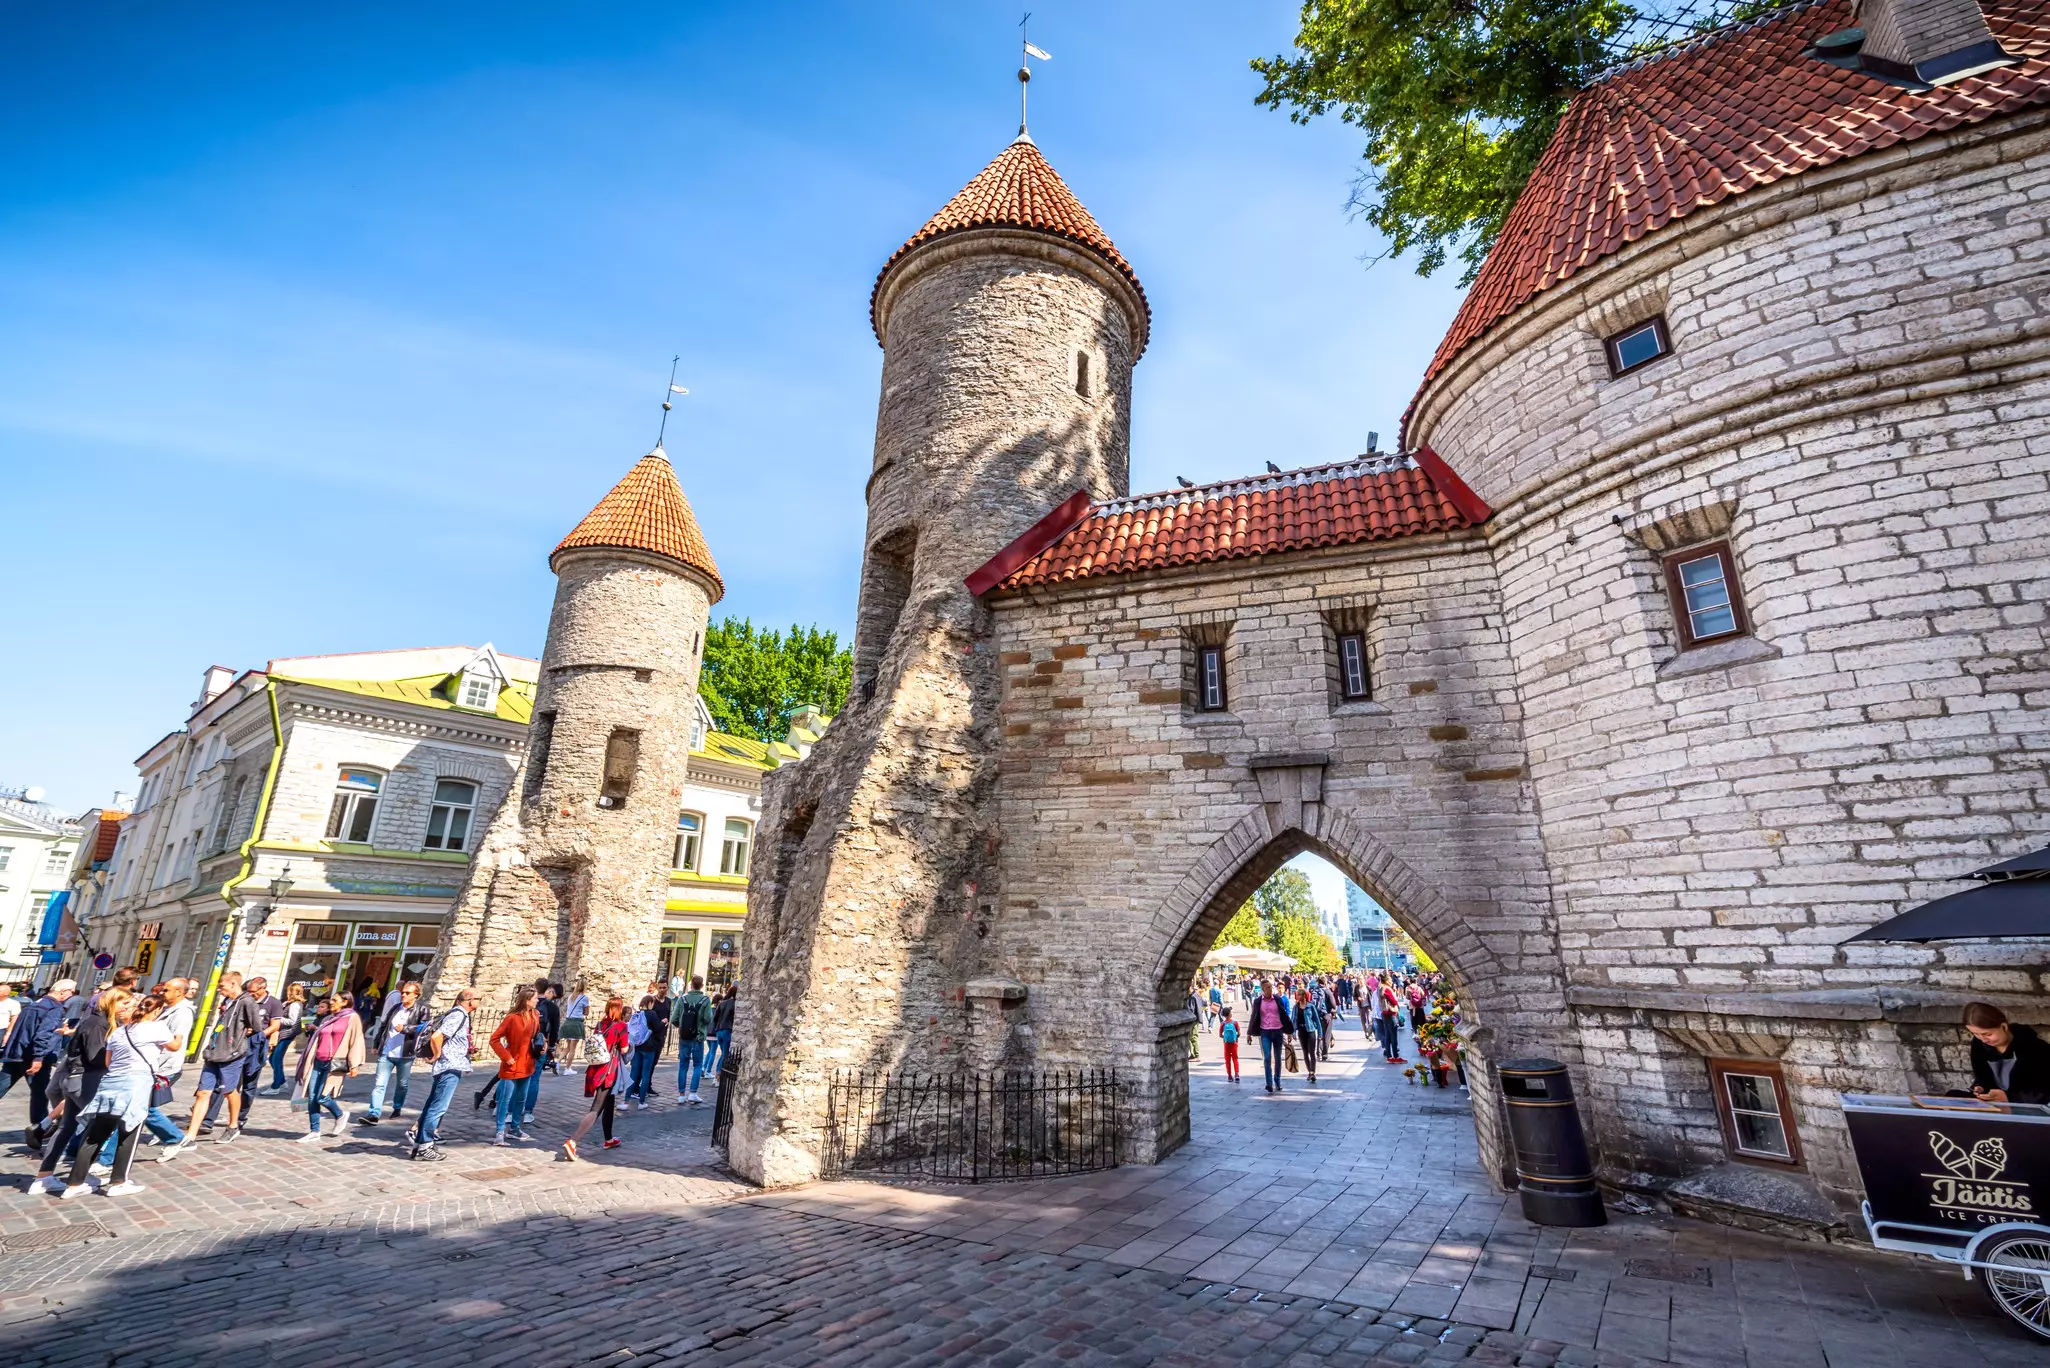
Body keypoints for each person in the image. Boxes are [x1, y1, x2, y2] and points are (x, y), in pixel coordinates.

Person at [38, 990, 172, 1199]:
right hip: (131, 1083)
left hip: (109, 1083)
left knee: (94, 1133)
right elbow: (174, 1046)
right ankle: (119, 1182)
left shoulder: (119, 1031)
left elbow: (108, 1061)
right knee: (129, 1131)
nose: (128, 1007)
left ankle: (73, 1184)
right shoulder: (142, 1027)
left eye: (131, 1004)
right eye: (125, 1003)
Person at [172, 971, 263, 1150]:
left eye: (222, 987)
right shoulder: (226, 1002)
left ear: (233, 984)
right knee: (202, 1093)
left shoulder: (246, 1002)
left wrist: (236, 1040)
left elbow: (256, 1027)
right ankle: (191, 1135)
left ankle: (233, 1126)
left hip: (231, 1054)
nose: (220, 990)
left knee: (229, 1092)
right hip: (213, 1053)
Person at [410, 988, 478, 1161]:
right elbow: (437, 1037)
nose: (480, 1002)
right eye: (479, 998)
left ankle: (420, 1143)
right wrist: (438, 1055)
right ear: (470, 1000)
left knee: (432, 1105)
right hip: (449, 1066)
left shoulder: (458, 1014)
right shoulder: (458, 1015)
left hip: (448, 1066)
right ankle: (426, 1144)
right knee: (438, 1107)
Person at [1, 980, 75, 1133]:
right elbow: (43, 1034)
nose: (72, 995)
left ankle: (39, 1127)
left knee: (5, 1085)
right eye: (71, 991)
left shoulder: (37, 1003)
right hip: (34, 1057)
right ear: (62, 991)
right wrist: (38, 1057)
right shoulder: (53, 1008)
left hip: (18, 1053)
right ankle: (39, 1128)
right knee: (40, 1093)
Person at [561, 997, 630, 1161]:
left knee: (609, 1103)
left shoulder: (600, 1025)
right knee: (596, 1109)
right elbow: (625, 1049)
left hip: (595, 1068)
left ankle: (609, 1139)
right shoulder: (621, 1026)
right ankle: (573, 1141)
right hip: (608, 1071)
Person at [294, 992, 365, 1143]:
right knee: (312, 1097)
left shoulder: (352, 1018)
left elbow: (356, 1040)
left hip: (334, 1063)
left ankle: (339, 1114)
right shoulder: (329, 1018)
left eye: (335, 1000)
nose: (331, 1002)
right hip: (318, 1060)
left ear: (345, 1002)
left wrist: (355, 1064)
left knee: (322, 1096)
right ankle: (314, 1131)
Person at [359, 980, 425, 1126]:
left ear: (416, 995)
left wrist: (406, 1029)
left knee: (402, 1084)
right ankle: (374, 1114)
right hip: (387, 1052)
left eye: (408, 993)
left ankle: (397, 1107)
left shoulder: (421, 1010)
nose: (403, 994)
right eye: (403, 992)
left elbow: (424, 1028)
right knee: (379, 1084)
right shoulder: (396, 1008)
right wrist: (377, 1044)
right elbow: (384, 1026)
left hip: (406, 1054)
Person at [1964, 1002, 2050, 1104]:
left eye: (1988, 1034)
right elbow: (1983, 1077)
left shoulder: (2035, 1048)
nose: (1983, 1039)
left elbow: (2044, 1092)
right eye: (1976, 1034)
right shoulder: (1979, 1044)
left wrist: (2009, 1097)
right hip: (1995, 1103)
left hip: (2027, 1105)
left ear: (2004, 1027)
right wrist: (1980, 1087)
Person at [489, 986, 544, 1144]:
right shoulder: (512, 1018)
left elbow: (536, 1036)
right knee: (505, 1099)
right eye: (534, 999)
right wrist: (506, 1057)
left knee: (521, 1098)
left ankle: (514, 1128)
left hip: (527, 1063)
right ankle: (500, 1131)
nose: (537, 1000)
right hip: (512, 1064)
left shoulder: (535, 1015)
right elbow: (494, 1039)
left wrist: (541, 1046)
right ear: (527, 1001)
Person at [672, 975, 714, 1104]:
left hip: (684, 1037)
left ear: (690, 985)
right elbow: (708, 1019)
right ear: (702, 986)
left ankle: (681, 1094)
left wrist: (683, 1027)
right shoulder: (706, 1000)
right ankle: (693, 1093)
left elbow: (674, 1019)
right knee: (697, 1065)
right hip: (698, 1037)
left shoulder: (682, 999)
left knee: (683, 1066)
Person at [261, 984, 310, 1092]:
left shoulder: (295, 1005)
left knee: (276, 1059)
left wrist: (277, 1019)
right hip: (284, 1034)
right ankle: (282, 1081)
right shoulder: (290, 1003)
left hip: (287, 1034)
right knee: (273, 1058)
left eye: (289, 991)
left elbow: (292, 1021)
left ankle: (276, 1086)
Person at [1250, 980, 1295, 1095]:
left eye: (1271, 986)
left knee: (1278, 1058)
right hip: (1265, 1032)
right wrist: (1249, 1033)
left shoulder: (1278, 999)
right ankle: (1269, 1083)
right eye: (1267, 987)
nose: (1270, 989)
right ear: (1262, 989)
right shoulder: (1258, 1001)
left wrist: (1289, 1032)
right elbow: (1254, 1016)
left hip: (1278, 1031)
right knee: (1267, 1058)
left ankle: (1277, 1081)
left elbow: (1284, 1015)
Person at [703, 986, 736, 1083]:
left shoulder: (722, 1004)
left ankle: (717, 1075)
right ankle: (718, 1076)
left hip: (719, 1030)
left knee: (723, 1054)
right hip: (727, 1030)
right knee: (725, 1055)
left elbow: (715, 1018)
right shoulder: (734, 1004)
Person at [1293, 988, 1324, 1086]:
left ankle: (1312, 1072)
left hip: (1310, 1030)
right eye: (1297, 995)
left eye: (1299, 995)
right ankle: (1309, 1072)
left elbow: (1317, 1020)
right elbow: (1293, 1019)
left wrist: (1320, 1034)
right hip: (1301, 1031)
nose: (1298, 997)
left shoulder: (1310, 1006)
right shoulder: (1296, 1007)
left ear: (1304, 996)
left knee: (1312, 1052)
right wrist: (1292, 1032)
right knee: (1305, 1052)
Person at [557, 981, 589, 1073]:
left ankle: (557, 1062)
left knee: (568, 1046)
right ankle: (568, 1069)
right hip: (576, 1023)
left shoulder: (571, 997)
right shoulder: (584, 998)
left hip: (568, 1022)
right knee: (572, 1049)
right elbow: (586, 1012)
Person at [535, 979, 563, 1079]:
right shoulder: (553, 1007)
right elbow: (555, 1029)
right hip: (541, 1042)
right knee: (534, 1077)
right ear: (549, 990)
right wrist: (551, 1045)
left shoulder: (528, 1001)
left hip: (524, 1040)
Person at [1219, 1007, 1241, 1082]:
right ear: (1229, 1014)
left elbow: (1220, 1035)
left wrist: (1225, 1038)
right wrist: (1235, 1037)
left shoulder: (1222, 1024)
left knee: (1227, 1060)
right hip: (1234, 1043)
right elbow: (1239, 1033)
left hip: (1226, 1043)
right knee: (1235, 1058)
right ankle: (1237, 1074)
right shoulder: (1235, 1023)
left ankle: (1229, 1076)